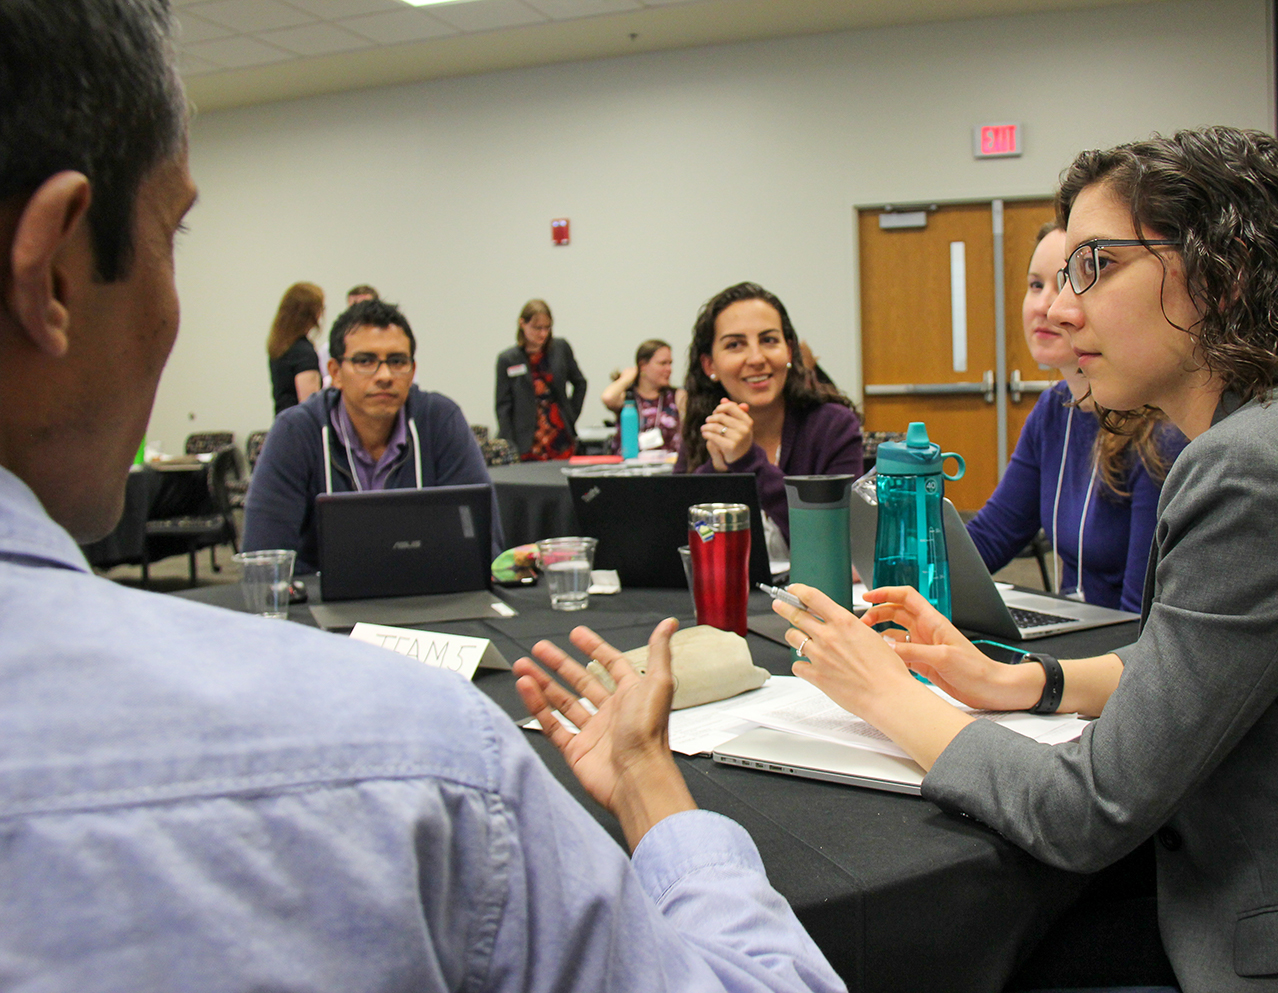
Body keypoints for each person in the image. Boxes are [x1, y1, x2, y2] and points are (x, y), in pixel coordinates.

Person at [0, 4, 846, 990]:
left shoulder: (446, 429)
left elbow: (477, 537)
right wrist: (657, 794)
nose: (384, 378)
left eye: (399, 361)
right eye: (173, 233)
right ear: (56, 270)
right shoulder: (423, 771)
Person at [771, 127, 1278, 991]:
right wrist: (1023, 680)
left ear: (1224, 274)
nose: (1061, 309)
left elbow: (1087, 811)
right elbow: (1201, 654)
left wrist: (889, 698)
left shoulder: (1257, 466)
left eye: (1096, 266)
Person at [965, 223, 1185, 611]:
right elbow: (991, 538)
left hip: (1115, 656)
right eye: (1036, 285)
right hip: (1078, 637)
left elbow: (1141, 617)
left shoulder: (1159, 434)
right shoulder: (1054, 409)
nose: (1046, 306)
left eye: (1070, 282)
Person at [244, 298, 501, 571]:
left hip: (428, 599)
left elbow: (485, 546)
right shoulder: (296, 433)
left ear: (412, 370)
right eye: (365, 361)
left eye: (397, 361)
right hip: (323, 605)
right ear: (335, 372)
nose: (385, 375)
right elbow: (264, 560)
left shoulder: (440, 421)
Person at [675, 282, 862, 552]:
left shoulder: (834, 426)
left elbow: (836, 540)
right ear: (710, 365)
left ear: (788, 351)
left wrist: (747, 461)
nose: (756, 357)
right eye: (735, 344)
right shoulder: (705, 427)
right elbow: (684, 538)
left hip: (811, 591)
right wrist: (715, 474)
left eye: (768, 340)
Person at [495, 298, 587, 460]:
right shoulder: (508, 359)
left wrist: (571, 415)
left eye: (547, 328)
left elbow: (580, 383)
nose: (543, 333)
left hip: (560, 436)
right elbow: (503, 406)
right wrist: (509, 443)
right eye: (537, 328)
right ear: (522, 324)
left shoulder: (560, 348)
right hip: (527, 440)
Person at [600, 338, 686, 454]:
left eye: (670, 363)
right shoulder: (627, 397)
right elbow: (608, 398)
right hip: (629, 466)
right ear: (643, 366)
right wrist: (627, 378)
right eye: (662, 363)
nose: (669, 369)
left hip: (666, 465)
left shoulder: (677, 396)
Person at [266, 281, 325, 415]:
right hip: (299, 430)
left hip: (282, 423)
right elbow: (310, 405)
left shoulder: (280, 346)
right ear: (313, 313)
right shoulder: (304, 352)